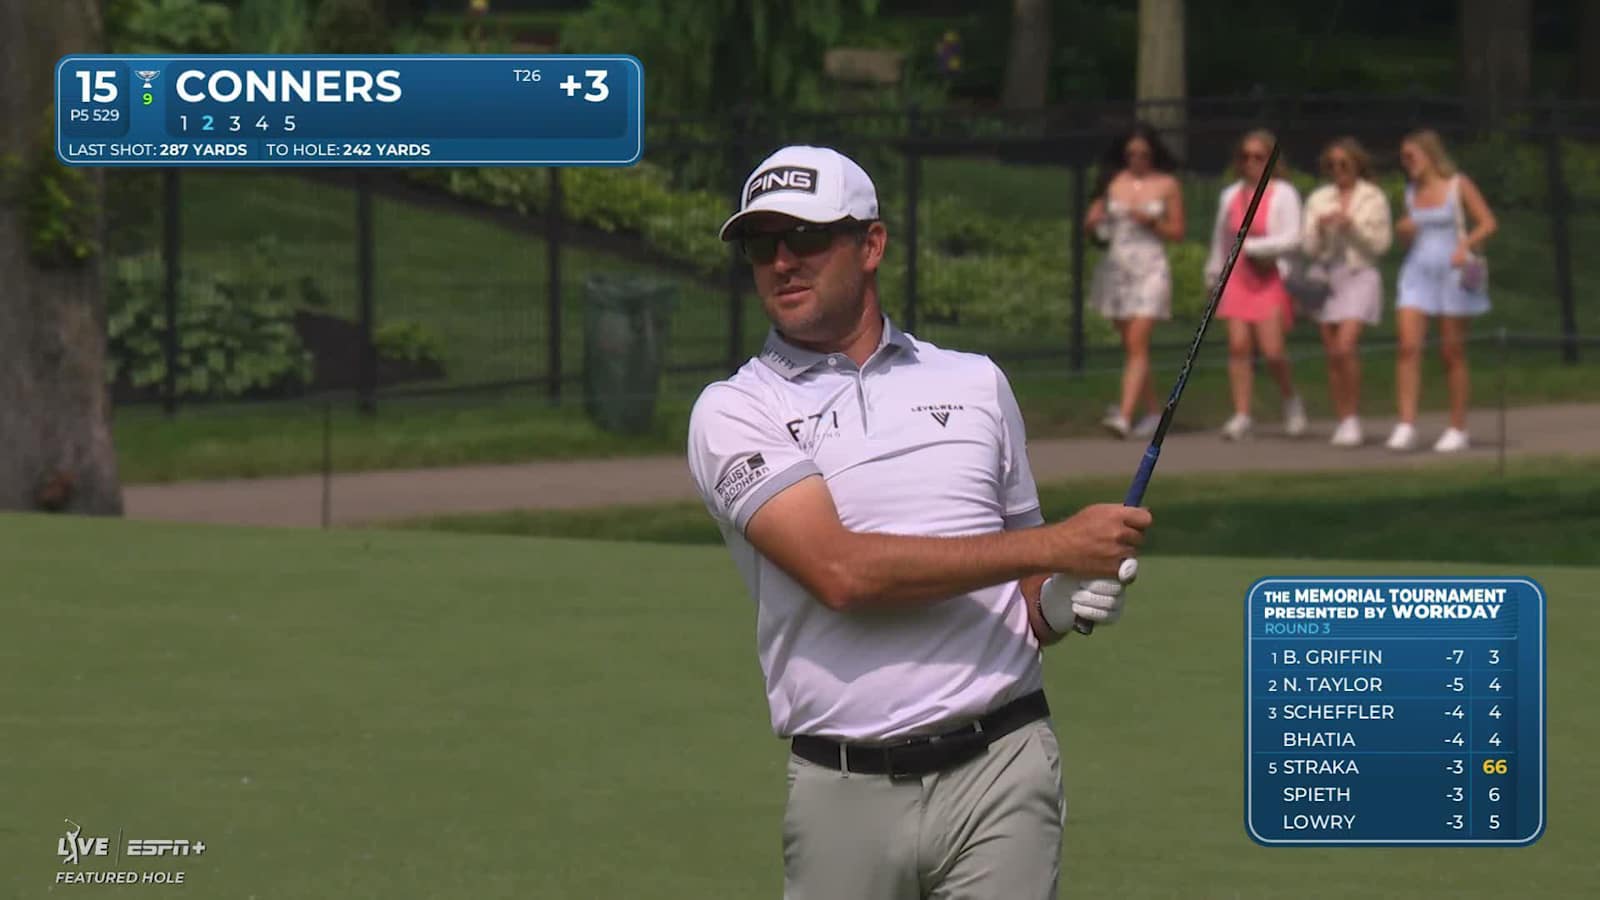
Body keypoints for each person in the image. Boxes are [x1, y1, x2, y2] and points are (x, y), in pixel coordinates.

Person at [687, 145, 1153, 900]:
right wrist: (1059, 544)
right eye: (760, 244)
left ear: (871, 244)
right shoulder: (736, 409)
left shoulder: (976, 382)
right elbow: (840, 572)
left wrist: (1060, 600)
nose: (781, 262)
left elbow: (1025, 585)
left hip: (1004, 765)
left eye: (805, 238)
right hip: (844, 786)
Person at [1387, 129, 1498, 453]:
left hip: (1453, 274)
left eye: (1412, 155)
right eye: (1403, 158)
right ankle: (1406, 424)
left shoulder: (1456, 185)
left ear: (1429, 154)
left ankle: (1457, 427)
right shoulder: (1410, 192)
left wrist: (1466, 244)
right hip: (1417, 273)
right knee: (1407, 346)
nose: (1407, 163)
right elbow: (1409, 240)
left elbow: (1488, 222)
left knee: (1452, 352)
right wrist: (1404, 232)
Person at [1204, 129, 1309, 441]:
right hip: (1236, 278)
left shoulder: (1283, 193)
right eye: (1245, 157)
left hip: (1269, 277)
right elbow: (1221, 240)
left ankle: (1291, 400)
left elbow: (1293, 237)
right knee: (1238, 347)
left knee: (1273, 350)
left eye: (1258, 157)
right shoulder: (1231, 195)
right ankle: (1242, 414)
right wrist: (1213, 276)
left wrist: (1254, 248)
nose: (1251, 163)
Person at [1084, 122, 1186, 439]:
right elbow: (1095, 224)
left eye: (1142, 154)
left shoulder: (1167, 184)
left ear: (1152, 154)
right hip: (1117, 266)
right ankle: (1155, 412)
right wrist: (1093, 223)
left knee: (1138, 341)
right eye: (1131, 154)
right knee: (1132, 346)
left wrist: (1152, 221)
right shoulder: (1113, 182)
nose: (1136, 159)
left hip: (1150, 265)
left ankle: (1124, 416)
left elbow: (1177, 232)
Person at [1301, 137, 1393, 447]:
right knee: (1333, 353)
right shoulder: (1319, 198)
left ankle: (1352, 417)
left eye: (1345, 164)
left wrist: (1351, 225)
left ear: (1357, 165)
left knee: (1345, 345)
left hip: (1359, 273)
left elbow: (1380, 245)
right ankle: (1343, 418)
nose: (1339, 170)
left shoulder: (1373, 197)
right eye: (1333, 165)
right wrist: (1321, 228)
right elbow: (1308, 247)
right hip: (1326, 275)